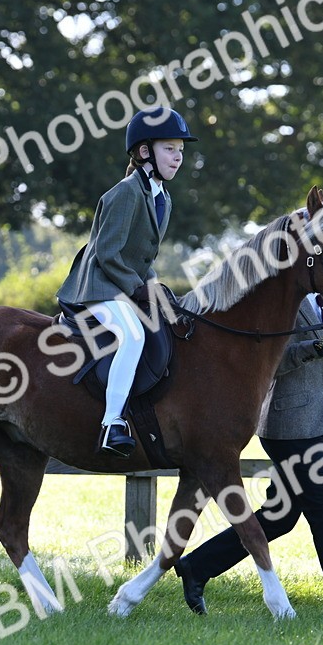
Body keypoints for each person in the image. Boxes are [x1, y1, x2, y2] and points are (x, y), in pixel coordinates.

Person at [174, 291, 323, 617]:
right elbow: (263, 359)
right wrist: (308, 350)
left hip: (317, 427)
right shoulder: (287, 302)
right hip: (287, 428)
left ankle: (197, 566)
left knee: (279, 516)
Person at [56, 105, 198, 456]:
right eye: (170, 149)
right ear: (144, 151)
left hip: (121, 284)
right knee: (133, 335)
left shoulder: (162, 197)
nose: (178, 157)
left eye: (181, 151)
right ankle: (112, 423)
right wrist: (138, 288)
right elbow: (108, 254)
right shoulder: (126, 192)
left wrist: (155, 287)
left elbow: (141, 259)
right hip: (98, 286)